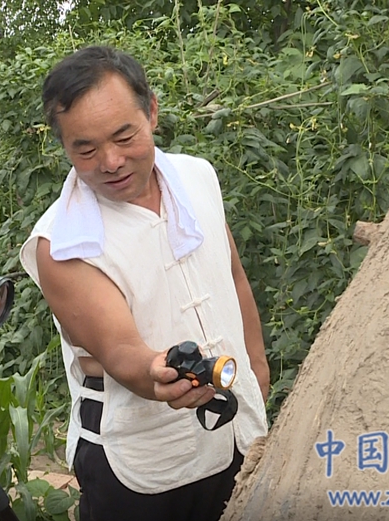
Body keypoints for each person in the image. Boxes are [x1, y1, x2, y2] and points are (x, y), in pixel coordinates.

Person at [19, 46, 270, 520]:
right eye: (85, 149)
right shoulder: (62, 243)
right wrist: (155, 376)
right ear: (64, 146)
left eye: (124, 136)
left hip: (240, 431)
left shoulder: (198, 177)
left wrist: (257, 369)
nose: (110, 162)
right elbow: (119, 352)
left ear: (151, 111)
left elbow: (232, 275)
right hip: (143, 468)